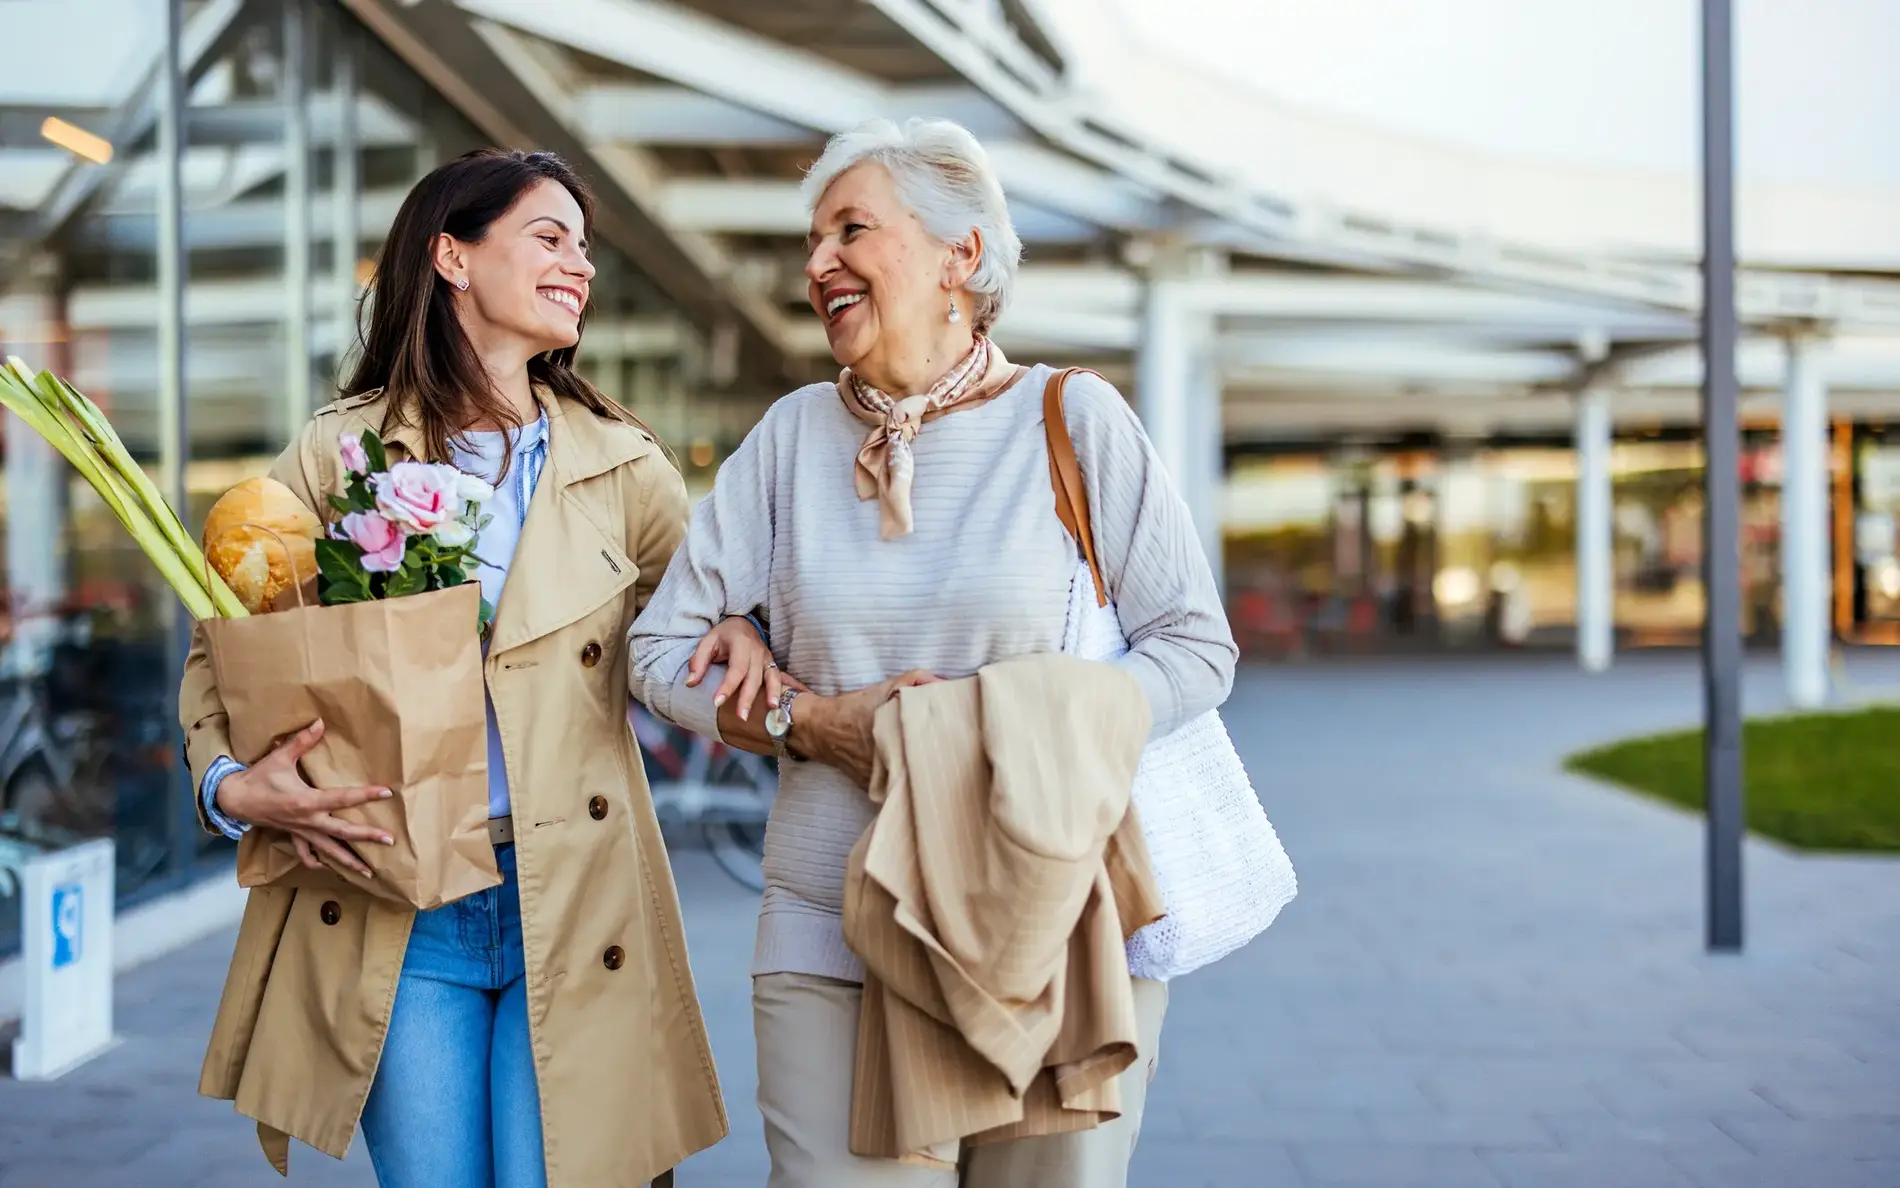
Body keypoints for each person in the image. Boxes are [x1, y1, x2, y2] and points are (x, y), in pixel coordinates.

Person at [628, 118, 1238, 1188]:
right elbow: (657, 653)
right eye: (811, 243)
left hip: (1042, 923)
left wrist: (1002, 723)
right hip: (829, 926)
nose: (817, 264)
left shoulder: (1073, 418)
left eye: (850, 230)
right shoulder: (789, 438)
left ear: (962, 254)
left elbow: (1193, 649)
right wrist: (803, 721)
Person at [177, 148, 774, 1188]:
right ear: (452, 255)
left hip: (576, 899)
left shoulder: (622, 466)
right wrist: (232, 787)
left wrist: (749, 633)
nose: (579, 265)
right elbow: (221, 644)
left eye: (585, 249)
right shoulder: (340, 455)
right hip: (393, 904)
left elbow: (706, 619)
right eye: (551, 238)